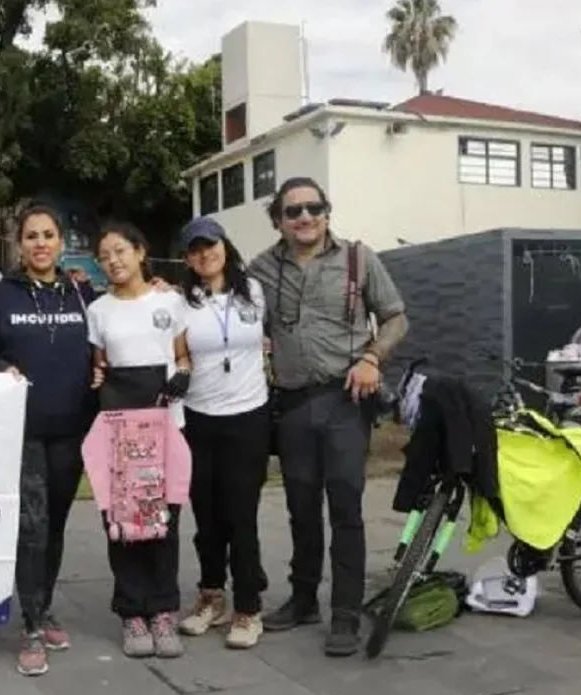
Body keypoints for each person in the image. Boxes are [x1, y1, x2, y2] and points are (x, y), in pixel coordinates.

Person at [247, 177, 409, 657]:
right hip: (292, 404)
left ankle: (344, 612)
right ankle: (302, 599)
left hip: (345, 401)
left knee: (345, 507)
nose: (304, 217)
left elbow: (397, 317)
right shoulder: (259, 270)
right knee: (300, 508)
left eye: (313, 208)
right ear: (278, 219)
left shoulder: (359, 259)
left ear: (326, 213)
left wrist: (373, 357)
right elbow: (218, 296)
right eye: (293, 210)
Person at [0, 204, 96, 676]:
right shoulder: (0, 296)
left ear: (61, 242)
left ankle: (42, 608)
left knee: (57, 525)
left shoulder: (82, 293)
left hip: (71, 428)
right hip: (22, 431)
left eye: (48, 235)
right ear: (19, 245)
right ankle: (30, 625)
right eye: (31, 236)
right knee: (31, 527)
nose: (40, 243)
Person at [86, 222, 192, 659]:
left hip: (166, 425)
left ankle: (164, 610)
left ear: (141, 252)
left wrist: (182, 376)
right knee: (123, 524)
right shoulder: (98, 310)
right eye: (104, 255)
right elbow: (101, 367)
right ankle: (132, 612)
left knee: (164, 521)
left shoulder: (171, 300)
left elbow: (183, 356)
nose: (113, 260)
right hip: (120, 431)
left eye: (120, 251)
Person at [173, 218, 271, 649]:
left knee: (241, 515)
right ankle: (211, 595)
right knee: (207, 516)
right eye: (194, 250)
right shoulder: (179, 303)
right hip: (199, 415)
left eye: (209, 245)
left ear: (225, 247)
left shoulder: (254, 291)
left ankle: (249, 607)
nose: (204, 255)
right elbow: (175, 356)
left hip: (249, 416)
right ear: (187, 259)